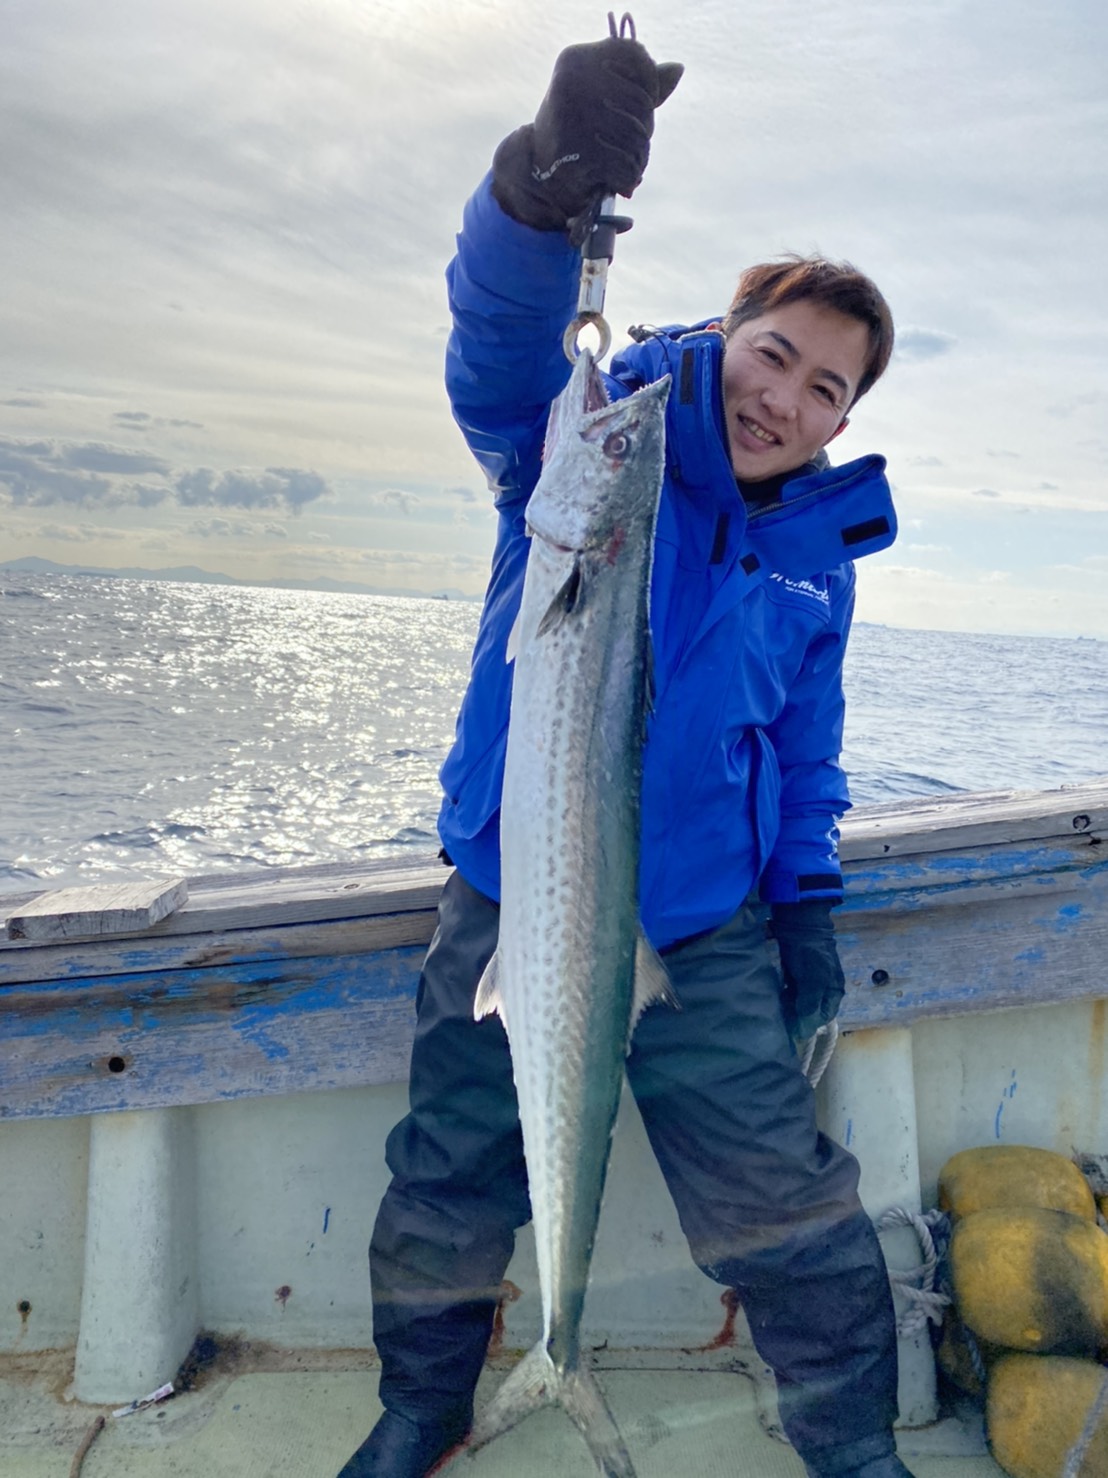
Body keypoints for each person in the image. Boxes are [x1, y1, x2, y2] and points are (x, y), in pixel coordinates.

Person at [339, 29, 912, 1478]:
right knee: (449, 1174)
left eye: (829, 389)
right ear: (729, 334)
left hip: (700, 929)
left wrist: (816, 907)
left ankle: (851, 1442)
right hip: (512, 892)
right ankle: (421, 1408)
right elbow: (497, 347)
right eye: (777, 352)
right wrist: (539, 196)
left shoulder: (817, 558)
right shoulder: (587, 443)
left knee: (789, 1192)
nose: (788, 397)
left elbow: (811, 747)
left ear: (845, 419)